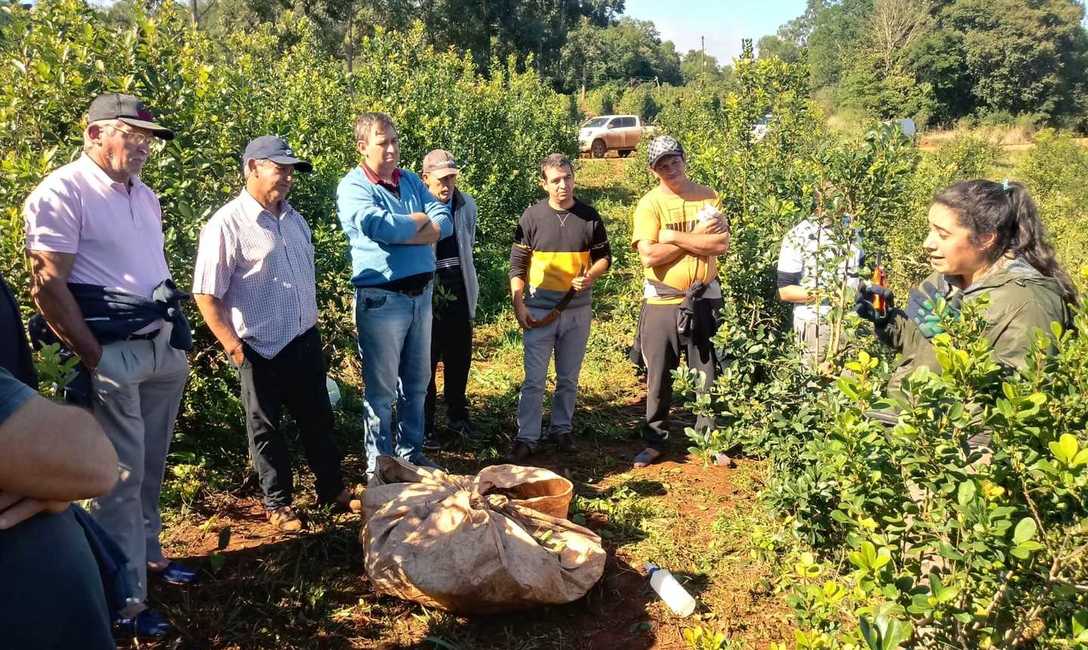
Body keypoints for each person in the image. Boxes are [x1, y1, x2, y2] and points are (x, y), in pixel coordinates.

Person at [23, 92, 192, 638]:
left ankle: (150, 558)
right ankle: (124, 600)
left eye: (148, 137)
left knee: (149, 464)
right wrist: (93, 355)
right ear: (94, 134)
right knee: (117, 479)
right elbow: (46, 284)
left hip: (160, 347)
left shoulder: (143, 194)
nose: (143, 146)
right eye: (132, 133)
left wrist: (174, 341)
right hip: (111, 350)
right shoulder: (61, 192)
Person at [193, 136, 360, 533]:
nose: (287, 177)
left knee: (318, 419)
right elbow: (205, 292)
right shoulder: (227, 224)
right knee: (266, 428)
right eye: (279, 168)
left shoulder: (294, 220)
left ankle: (332, 490)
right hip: (258, 347)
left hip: (303, 338)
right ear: (252, 168)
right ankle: (278, 503)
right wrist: (234, 347)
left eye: (290, 170)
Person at [857, 179, 1075, 400]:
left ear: (985, 238)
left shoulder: (1028, 304)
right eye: (930, 230)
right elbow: (921, 351)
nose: (928, 243)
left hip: (961, 431)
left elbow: (1021, 399)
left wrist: (955, 345)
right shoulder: (946, 278)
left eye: (943, 235)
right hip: (913, 420)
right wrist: (888, 320)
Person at [336, 113, 452, 478]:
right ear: (362, 147)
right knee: (382, 392)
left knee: (418, 384)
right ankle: (379, 466)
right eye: (382, 141)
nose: (391, 148)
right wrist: (420, 222)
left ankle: (410, 455)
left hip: (421, 296)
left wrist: (411, 226)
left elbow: (444, 220)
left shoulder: (412, 181)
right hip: (382, 300)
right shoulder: (354, 186)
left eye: (394, 141)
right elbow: (376, 226)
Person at [629, 136, 730, 468]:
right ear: (653, 170)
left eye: (674, 160)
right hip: (662, 301)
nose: (670, 168)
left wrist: (673, 236)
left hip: (705, 297)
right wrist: (696, 238)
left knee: (707, 369)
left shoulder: (707, 196)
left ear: (684, 159)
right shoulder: (650, 204)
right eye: (662, 164)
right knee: (659, 374)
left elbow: (720, 245)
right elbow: (649, 255)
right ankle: (656, 440)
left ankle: (710, 440)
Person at [508, 153, 611, 461]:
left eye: (567, 177)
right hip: (539, 310)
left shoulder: (589, 216)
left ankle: (561, 429)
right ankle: (527, 436)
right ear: (544, 184)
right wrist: (518, 303)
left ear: (573, 177)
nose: (563, 185)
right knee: (534, 378)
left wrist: (591, 275)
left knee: (568, 376)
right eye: (555, 180)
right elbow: (517, 264)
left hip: (578, 310)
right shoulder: (532, 218)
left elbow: (605, 257)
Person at [420, 149, 480, 450]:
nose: (447, 184)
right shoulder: (417, 206)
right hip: (427, 301)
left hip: (459, 294)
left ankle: (457, 416)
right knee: (425, 366)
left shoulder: (466, 205)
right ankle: (426, 425)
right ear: (425, 178)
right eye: (441, 178)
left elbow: (467, 246)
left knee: (459, 361)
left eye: (452, 177)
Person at [777, 199, 863, 368]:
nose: (840, 209)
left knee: (853, 389)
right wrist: (829, 293)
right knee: (815, 387)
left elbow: (861, 272)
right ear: (820, 202)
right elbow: (785, 291)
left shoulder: (854, 229)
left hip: (852, 323)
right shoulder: (799, 235)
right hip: (815, 326)